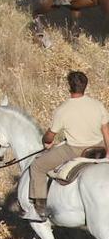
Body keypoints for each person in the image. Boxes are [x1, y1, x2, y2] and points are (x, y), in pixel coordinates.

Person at [28, 71, 109, 219]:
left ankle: (39, 209)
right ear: (85, 86)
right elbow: (106, 131)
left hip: (75, 150)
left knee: (37, 166)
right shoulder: (98, 105)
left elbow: (50, 136)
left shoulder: (63, 109)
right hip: (99, 148)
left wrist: (46, 141)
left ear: (69, 87)